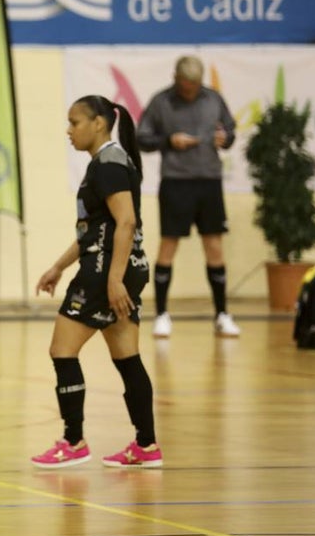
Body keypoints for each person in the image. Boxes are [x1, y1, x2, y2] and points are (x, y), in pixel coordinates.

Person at [31, 96, 161, 469]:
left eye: (75, 122)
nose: (69, 130)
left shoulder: (109, 164)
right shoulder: (109, 162)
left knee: (62, 350)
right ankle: (147, 445)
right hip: (119, 268)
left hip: (106, 273)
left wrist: (114, 280)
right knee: (127, 357)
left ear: (99, 123)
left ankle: (73, 441)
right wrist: (58, 266)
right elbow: (96, 231)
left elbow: (126, 223)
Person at [137, 55, 239, 338]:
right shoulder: (161, 101)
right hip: (176, 182)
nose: (189, 90)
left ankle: (222, 314)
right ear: (176, 79)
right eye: (185, 86)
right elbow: (141, 137)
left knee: (214, 246)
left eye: (194, 86)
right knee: (168, 245)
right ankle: (161, 314)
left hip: (209, 180)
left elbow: (230, 130)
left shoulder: (213, 99)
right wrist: (168, 141)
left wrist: (225, 138)